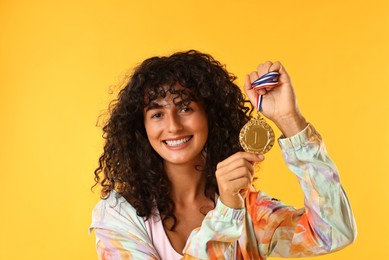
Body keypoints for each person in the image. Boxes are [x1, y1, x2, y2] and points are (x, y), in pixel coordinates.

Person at [90, 50, 357, 259]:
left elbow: (333, 233)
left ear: (210, 115)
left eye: (185, 108)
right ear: (142, 127)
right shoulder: (118, 215)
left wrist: (289, 119)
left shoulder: (250, 210)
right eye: (157, 113)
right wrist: (226, 212)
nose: (173, 126)